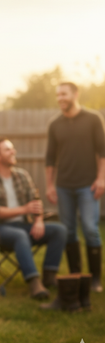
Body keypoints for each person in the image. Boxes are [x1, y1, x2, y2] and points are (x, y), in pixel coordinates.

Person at [0, 137, 67, 299]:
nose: (13, 151)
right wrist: (24, 209)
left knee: (59, 230)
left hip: (23, 225)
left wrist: (39, 220)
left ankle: (49, 276)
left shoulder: (22, 175)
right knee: (20, 235)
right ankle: (34, 283)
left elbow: (35, 199)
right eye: (8, 149)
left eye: (12, 148)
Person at [46, 82, 105, 292]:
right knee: (69, 231)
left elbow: (102, 152)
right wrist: (50, 186)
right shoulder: (55, 124)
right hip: (64, 187)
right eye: (57, 95)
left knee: (90, 229)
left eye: (63, 94)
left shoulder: (93, 119)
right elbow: (50, 158)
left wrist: (101, 179)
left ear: (75, 94)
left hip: (88, 186)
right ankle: (77, 277)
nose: (60, 98)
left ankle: (95, 279)